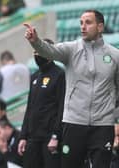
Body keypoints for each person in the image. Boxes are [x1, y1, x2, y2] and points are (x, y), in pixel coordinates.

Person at [23, 9, 119, 168]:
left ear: (100, 27)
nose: (83, 26)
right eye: (81, 23)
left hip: (103, 125)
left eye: (88, 22)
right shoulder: (71, 49)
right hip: (74, 124)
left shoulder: (115, 56)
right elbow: (49, 50)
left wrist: (109, 105)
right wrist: (35, 41)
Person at [18, 38, 66, 168]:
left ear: (49, 52)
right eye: (34, 51)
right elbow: (30, 108)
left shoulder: (60, 75)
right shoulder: (35, 76)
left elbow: (62, 108)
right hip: (33, 138)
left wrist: (56, 136)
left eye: (39, 51)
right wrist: (23, 136)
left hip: (49, 139)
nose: (36, 54)